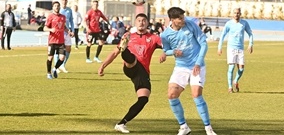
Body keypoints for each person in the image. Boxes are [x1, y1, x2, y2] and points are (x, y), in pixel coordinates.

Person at [98, 13, 162, 134]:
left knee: (143, 99)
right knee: (131, 58)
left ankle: (121, 123)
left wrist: (165, 53)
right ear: (135, 22)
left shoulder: (154, 38)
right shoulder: (130, 36)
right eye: (139, 20)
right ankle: (125, 50)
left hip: (142, 72)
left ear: (147, 23)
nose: (141, 22)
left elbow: (167, 47)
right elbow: (113, 53)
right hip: (130, 67)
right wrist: (103, 65)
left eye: (144, 20)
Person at [160, 7, 217, 135]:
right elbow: (166, 50)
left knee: (196, 94)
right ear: (172, 20)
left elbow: (203, 43)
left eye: (183, 17)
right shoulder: (165, 35)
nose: (183, 20)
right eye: (179, 18)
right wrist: (172, 52)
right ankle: (184, 127)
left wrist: (198, 62)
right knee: (171, 94)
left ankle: (208, 128)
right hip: (181, 67)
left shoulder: (191, 25)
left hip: (197, 65)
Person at [217, 7, 254, 93]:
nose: (236, 14)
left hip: (240, 49)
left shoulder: (244, 23)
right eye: (234, 13)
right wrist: (220, 47)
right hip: (231, 48)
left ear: (240, 14)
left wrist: (250, 44)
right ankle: (230, 87)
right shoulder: (229, 24)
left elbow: (250, 34)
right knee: (231, 67)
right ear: (232, 14)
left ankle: (235, 80)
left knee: (241, 69)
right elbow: (222, 35)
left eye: (238, 13)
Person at [43, 1, 67, 79]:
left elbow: (64, 26)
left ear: (59, 7)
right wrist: (50, 29)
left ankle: (55, 68)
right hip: (52, 41)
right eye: (55, 6)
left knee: (62, 58)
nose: (57, 7)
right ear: (53, 7)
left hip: (61, 41)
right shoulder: (50, 17)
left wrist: (69, 31)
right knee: (50, 58)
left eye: (58, 6)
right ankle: (48, 73)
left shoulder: (63, 17)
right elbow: (44, 28)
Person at [54, 0, 74, 73]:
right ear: (61, 1)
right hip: (60, 32)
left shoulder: (69, 10)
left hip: (67, 31)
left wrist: (72, 30)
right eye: (63, 0)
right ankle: (57, 66)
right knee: (58, 50)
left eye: (65, 0)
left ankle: (63, 65)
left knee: (68, 49)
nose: (64, 1)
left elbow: (71, 21)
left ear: (67, 1)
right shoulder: (58, 10)